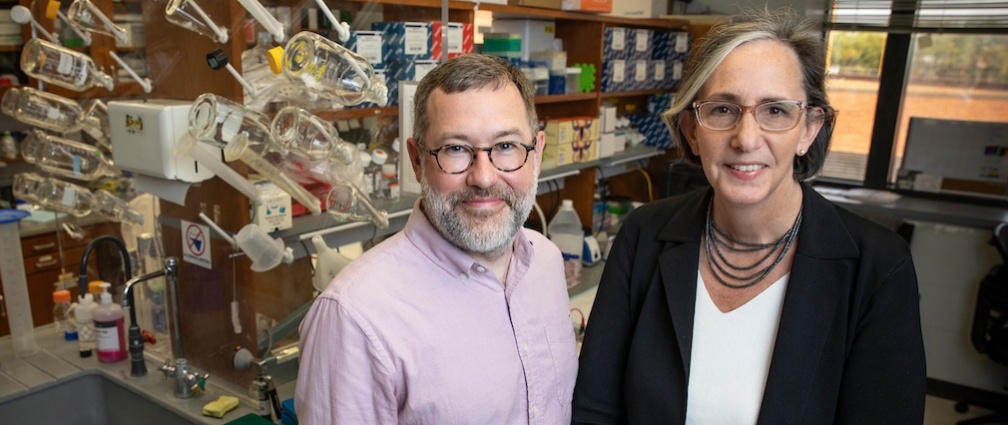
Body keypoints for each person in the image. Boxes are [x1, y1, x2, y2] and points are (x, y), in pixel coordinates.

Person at [572, 9, 926, 424]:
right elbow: (595, 407)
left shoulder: (878, 267)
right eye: (723, 110)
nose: (746, 139)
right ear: (692, 130)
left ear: (809, 129)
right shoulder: (644, 235)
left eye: (775, 111)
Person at [295, 54, 577, 424]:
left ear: (536, 153)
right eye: (455, 149)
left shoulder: (547, 261)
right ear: (416, 160)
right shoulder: (354, 317)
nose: (484, 177)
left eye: (506, 146)